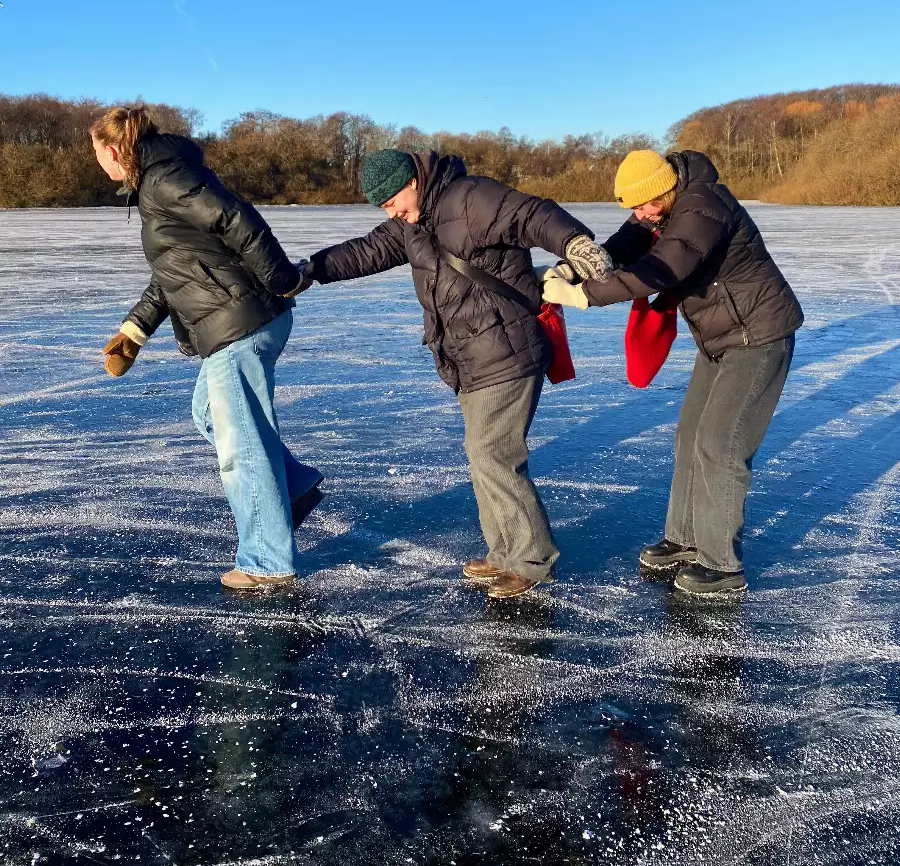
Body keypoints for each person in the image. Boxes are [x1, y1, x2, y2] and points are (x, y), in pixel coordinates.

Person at [297, 147, 609, 599]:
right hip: (469, 355)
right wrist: (311, 270)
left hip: (504, 347)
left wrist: (574, 242)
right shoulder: (414, 221)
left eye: (392, 202)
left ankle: (531, 559)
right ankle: (504, 552)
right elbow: (368, 250)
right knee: (484, 454)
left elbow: (530, 214)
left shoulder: (470, 197)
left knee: (494, 453)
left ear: (412, 182)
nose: (391, 212)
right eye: (384, 207)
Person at [541, 148, 803, 597]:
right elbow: (627, 244)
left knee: (720, 444)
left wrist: (583, 295)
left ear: (664, 189)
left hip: (758, 337)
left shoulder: (703, 206)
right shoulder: (662, 203)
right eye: (634, 207)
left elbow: (660, 269)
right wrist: (575, 267)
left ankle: (722, 566)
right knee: (689, 437)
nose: (640, 214)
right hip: (719, 337)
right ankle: (684, 539)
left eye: (643, 205)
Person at [90, 106, 323, 591]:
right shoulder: (158, 182)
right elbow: (174, 271)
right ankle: (292, 487)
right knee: (209, 413)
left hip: (241, 320)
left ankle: (266, 560)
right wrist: (135, 330)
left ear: (112, 151)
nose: (98, 163)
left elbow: (234, 217)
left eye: (97, 155)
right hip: (235, 318)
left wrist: (282, 278)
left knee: (242, 443)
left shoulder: (164, 179)